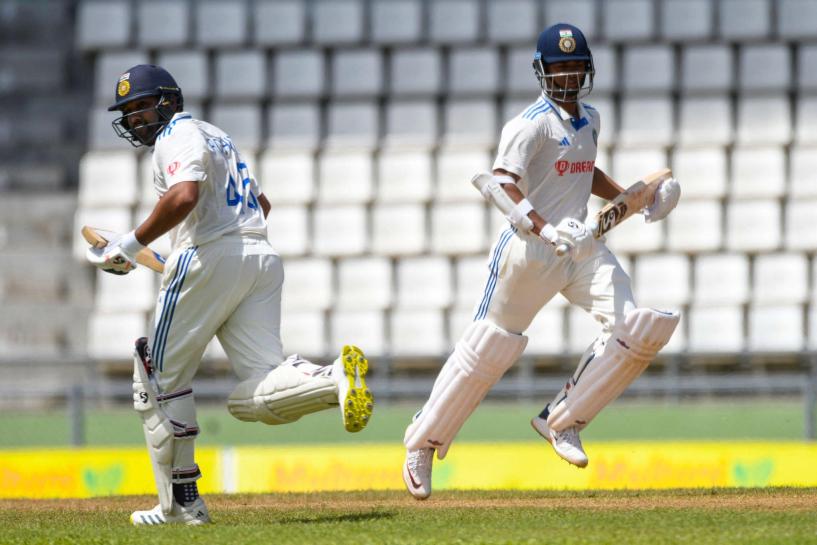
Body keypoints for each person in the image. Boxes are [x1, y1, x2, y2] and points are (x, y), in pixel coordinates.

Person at [401, 23, 681, 500]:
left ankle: (563, 420)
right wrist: (545, 228)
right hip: (530, 249)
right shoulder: (528, 124)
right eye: (559, 68)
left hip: (582, 247)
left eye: (575, 66)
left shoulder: (590, 118)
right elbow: (503, 183)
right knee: (489, 348)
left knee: (636, 326)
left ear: (587, 70)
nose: (568, 76)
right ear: (543, 72)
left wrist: (636, 199)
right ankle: (422, 442)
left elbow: (583, 169)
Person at [89, 64, 374, 525]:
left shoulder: (176, 136)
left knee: (156, 381)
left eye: (142, 106)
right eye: (128, 111)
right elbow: (261, 204)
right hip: (258, 255)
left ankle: (180, 504)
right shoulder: (215, 135)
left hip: (212, 259)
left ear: (169, 101)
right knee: (253, 396)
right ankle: (332, 377)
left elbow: (183, 197)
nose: (136, 118)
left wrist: (130, 246)